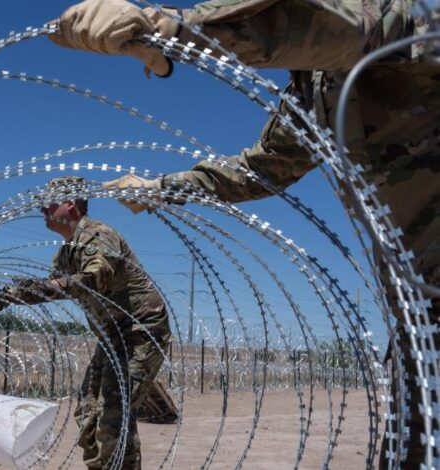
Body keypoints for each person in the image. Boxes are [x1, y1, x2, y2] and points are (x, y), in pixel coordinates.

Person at [48, 0, 439, 467]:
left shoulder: (401, 17)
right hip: (420, 312)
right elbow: (260, 171)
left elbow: (334, 28)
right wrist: (161, 188)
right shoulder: (312, 91)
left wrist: (171, 29)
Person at [0, 176, 171, 469]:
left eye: (50, 203)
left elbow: (94, 279)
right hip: (111, 337)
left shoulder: (97, 235)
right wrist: (14, 294)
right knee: (87, 410)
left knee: (113, 413)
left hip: (139, 331)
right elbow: (55, 285)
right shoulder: (65, 253)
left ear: (70, 203)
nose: (43, 210)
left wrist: (29, 291)